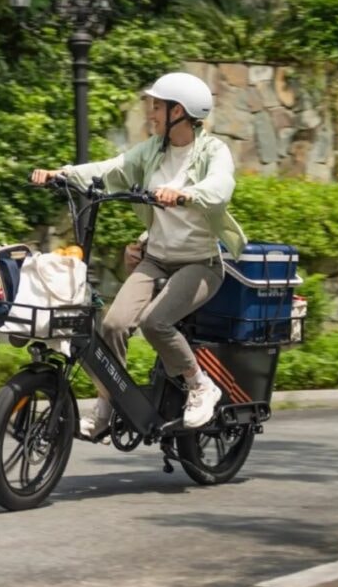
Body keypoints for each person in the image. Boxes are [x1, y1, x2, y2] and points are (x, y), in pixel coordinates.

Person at [29, 71, 247, 435]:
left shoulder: (212, 151)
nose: (152, 113)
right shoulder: (153, 150)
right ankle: (107, 404)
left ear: (180, 111)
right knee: (112, 325)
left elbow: (221, 186)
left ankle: (200, 386)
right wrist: (62, 174)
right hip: (157, 259)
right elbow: (111, 169)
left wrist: (186, 194)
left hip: (200, 264)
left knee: (154, 323)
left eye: (158, 106)